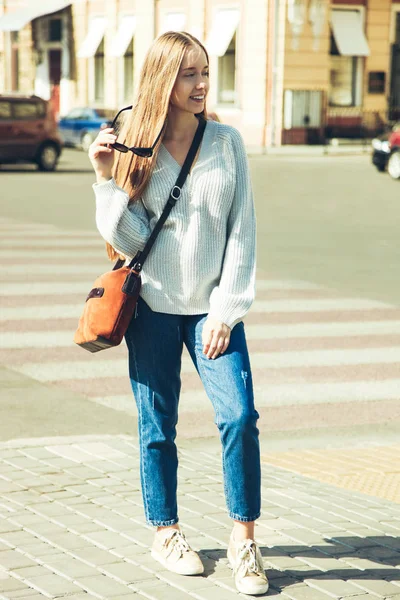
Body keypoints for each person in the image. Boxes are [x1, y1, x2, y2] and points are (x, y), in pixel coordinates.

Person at [88, 31, 268, 596]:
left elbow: (242, 230)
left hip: (213, 312)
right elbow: (130, 239)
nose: (201, 84)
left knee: (239, 416)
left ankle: (244, 540)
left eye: (205, 72)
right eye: (188, 73)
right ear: (163, 80)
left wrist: (227, 309)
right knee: (156, 428)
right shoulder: (136, 148)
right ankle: (165, 531)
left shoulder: (226, 143)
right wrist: (104, 180)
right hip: (153, 311)